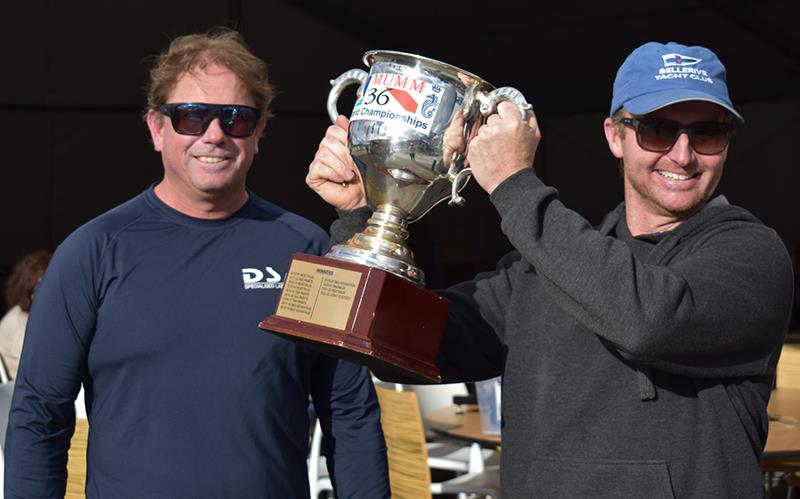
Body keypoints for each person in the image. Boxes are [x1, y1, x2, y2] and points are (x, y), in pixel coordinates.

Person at [306, 41, 794, 497]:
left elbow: (651, 322)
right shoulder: (541, 266)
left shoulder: (749, 254)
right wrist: (363, 217)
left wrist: (515, 185)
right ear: (616, 137)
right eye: (658, 129)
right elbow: (405, 344)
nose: (683, 154)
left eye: (708, 132)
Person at [4, 28, 389, 498]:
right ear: (156, 127)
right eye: (191, 116)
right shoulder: (92, 252)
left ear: (260, 131)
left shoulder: (307, 249)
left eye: (236, 118)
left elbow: (348, 410)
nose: (214, 135)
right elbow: (40, 417)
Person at [0, 250, 52, 379]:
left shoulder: (33, 315)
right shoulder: (19, 323)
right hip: (20, 389)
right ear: (27, 289)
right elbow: (36, 369)